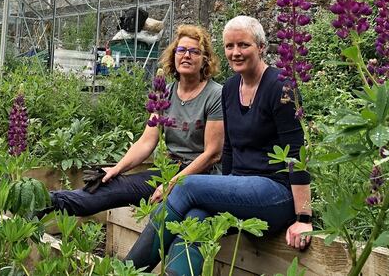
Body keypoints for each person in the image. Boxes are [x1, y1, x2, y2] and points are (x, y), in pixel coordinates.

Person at [126, 16, 312, 275]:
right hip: (240, 188)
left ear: (261, 47)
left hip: (274, 194)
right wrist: (223, 190)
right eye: (229, 46)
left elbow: (296, 154)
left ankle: (125, 270)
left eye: (243, 45)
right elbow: (228, 150)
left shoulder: (281, 86)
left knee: (185, 185)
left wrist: (304, 218)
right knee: (196, 217)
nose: (235, 53)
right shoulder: (230, 87)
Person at [44, 24, 224, 218]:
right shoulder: (165, 93)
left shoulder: (214, 94)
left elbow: (212, 154)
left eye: (194, 51)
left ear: (205, 60)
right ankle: (47, 202)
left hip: (198, 177)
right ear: (174, 55)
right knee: (109, 186)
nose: (186, 55)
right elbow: (147, 142)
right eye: (181, 50)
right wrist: (116, 169)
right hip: (168, 170)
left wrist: (172, 184)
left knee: (168, 216)